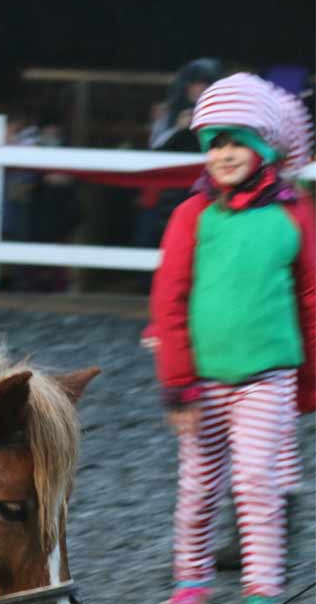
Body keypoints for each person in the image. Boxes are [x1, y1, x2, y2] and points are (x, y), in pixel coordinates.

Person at [147, 73, 315, 604]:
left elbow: (310, 296)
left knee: (257, 481)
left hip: (268, 376)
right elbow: (169, 300)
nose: (223, 154)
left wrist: (310, 376)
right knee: (199, 485)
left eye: (237, 142)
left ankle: (262, 586)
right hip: (203, 380)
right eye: (214, 143)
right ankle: (191, 579)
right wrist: (178, 383)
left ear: (263, 147)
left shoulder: (293, 216)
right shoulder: (192, 216)